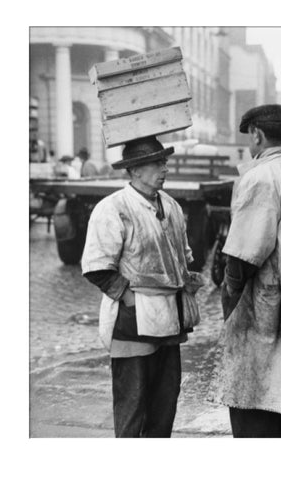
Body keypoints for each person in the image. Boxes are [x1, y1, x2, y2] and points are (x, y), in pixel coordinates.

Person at [81, 136, 203, 438]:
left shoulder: (172, 206)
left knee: (164, 403)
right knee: (133, 403)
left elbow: (182, 255)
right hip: (131, 323)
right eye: (157, 163)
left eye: (165, 161)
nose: (165, 168)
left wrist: (187, 278)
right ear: (134, 170)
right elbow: (97, 267)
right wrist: (130, 298)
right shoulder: (113, 209)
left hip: (170, 321)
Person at [208, 104, 281, 438]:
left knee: (254, 403)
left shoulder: (259, 177)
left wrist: (230, 304)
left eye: (249, 138)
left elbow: (242, 255)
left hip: (264, 308)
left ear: (256, 134)